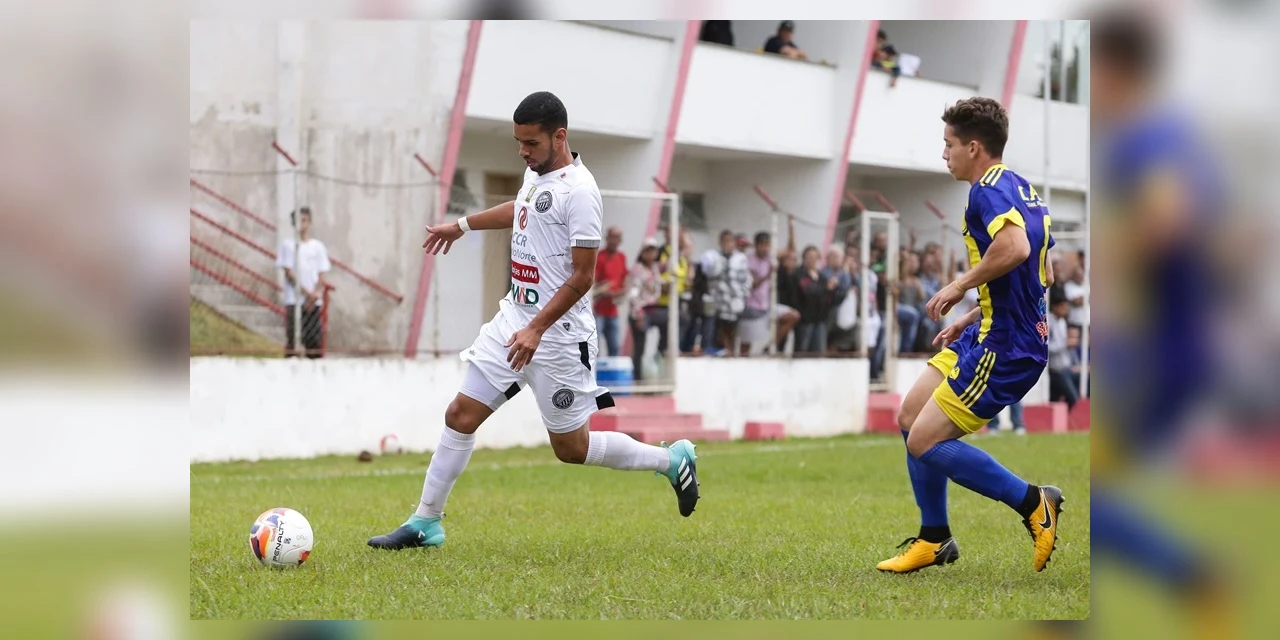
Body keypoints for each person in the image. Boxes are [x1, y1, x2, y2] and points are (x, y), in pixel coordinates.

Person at [368, 92, 701, 552]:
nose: (522, 151)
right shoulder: (536, 173)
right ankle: (426, 523)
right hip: (513, 320)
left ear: (558, 137)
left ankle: (670, 460)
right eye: (518, 142)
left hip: (559, 337)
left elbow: (583, 277)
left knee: (572, 449)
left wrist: (537, 328)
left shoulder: (581, 193)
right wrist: (460, 226)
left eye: (530, 142)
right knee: (460, 415)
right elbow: (521, 208)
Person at [878, 96, 1063, 574]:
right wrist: (974, 312)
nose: (944, 153)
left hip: (1006, 346)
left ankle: (1033, 502)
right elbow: (1042, 273)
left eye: (949, 144)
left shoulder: (987, 190)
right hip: (989, 329)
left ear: (974, 147)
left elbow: (1017, 248)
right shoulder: (1022, 188)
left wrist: (960, 284)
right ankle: (934, 538)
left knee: (923, 441)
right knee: (909, 414)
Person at [277, 206, 330, 359]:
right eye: (299, 221)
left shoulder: (318, 247)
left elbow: (322, 274)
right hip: (295, 300)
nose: (302, 224)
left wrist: (315, 296)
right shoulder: (288, 245)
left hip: (313, 302)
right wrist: (306, 293)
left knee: (314, 341)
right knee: (293, 339)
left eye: (305, 220)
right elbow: (289, 273)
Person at [740, 230, 800, 355]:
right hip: (752, 308)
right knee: (745, 346)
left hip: (767, 306)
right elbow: (753, 284)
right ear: (756, 245)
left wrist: (791, 226)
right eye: (762, 245)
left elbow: (790, 249)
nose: (764, 248)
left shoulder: (770, 257)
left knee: (793, 316)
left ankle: (770, 347)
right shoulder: (748, 261)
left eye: (767, 245)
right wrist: (768, 273)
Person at [626, 238, 664, 382]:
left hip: (653, 309)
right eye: (648, 250)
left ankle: (662, 353)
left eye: (653, 250)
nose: (651, 254)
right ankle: (638, 379)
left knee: (670, 321)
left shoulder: (655, 268)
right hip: (640, 312)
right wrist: (639, 315)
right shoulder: (637, 270)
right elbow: (633, 295)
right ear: (643, 252)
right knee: (639, 347)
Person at [592, 226, 627, 357]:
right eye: (612, 237)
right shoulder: (600, 256)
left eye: (617, 238)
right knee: (596, 346)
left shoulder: (621, 257)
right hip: (599, 309)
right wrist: (604, 291)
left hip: (612, 310)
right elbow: (594, 282)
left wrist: (623, 291)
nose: (614, 241)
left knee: (615, 346)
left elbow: (624, 277)